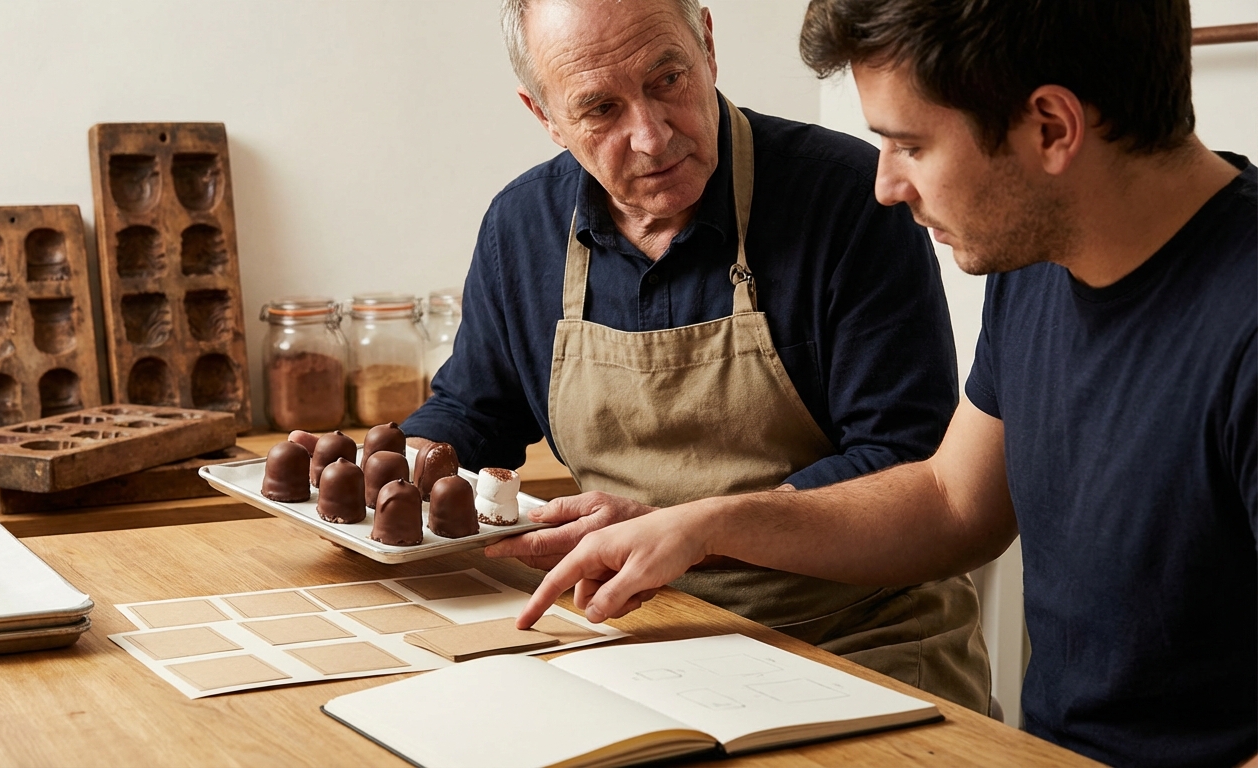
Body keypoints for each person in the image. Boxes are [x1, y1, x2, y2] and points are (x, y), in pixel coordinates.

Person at [515, 1, 1257, 765]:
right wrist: (704, 528)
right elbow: (949, 503)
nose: (886, 186)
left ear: (1051, 129)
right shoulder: (1043, 262)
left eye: (909, 144)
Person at [400, 0, 993, 711]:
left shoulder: (848, 196)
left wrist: (694, 533)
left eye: (667, 79)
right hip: (632, 644)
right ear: (545, 116)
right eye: (599, 109)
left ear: (707, 45)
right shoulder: (520, 227)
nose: (650, 137)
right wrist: (389, 467)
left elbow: (909, 467)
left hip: (856, 640)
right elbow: (474, 413)